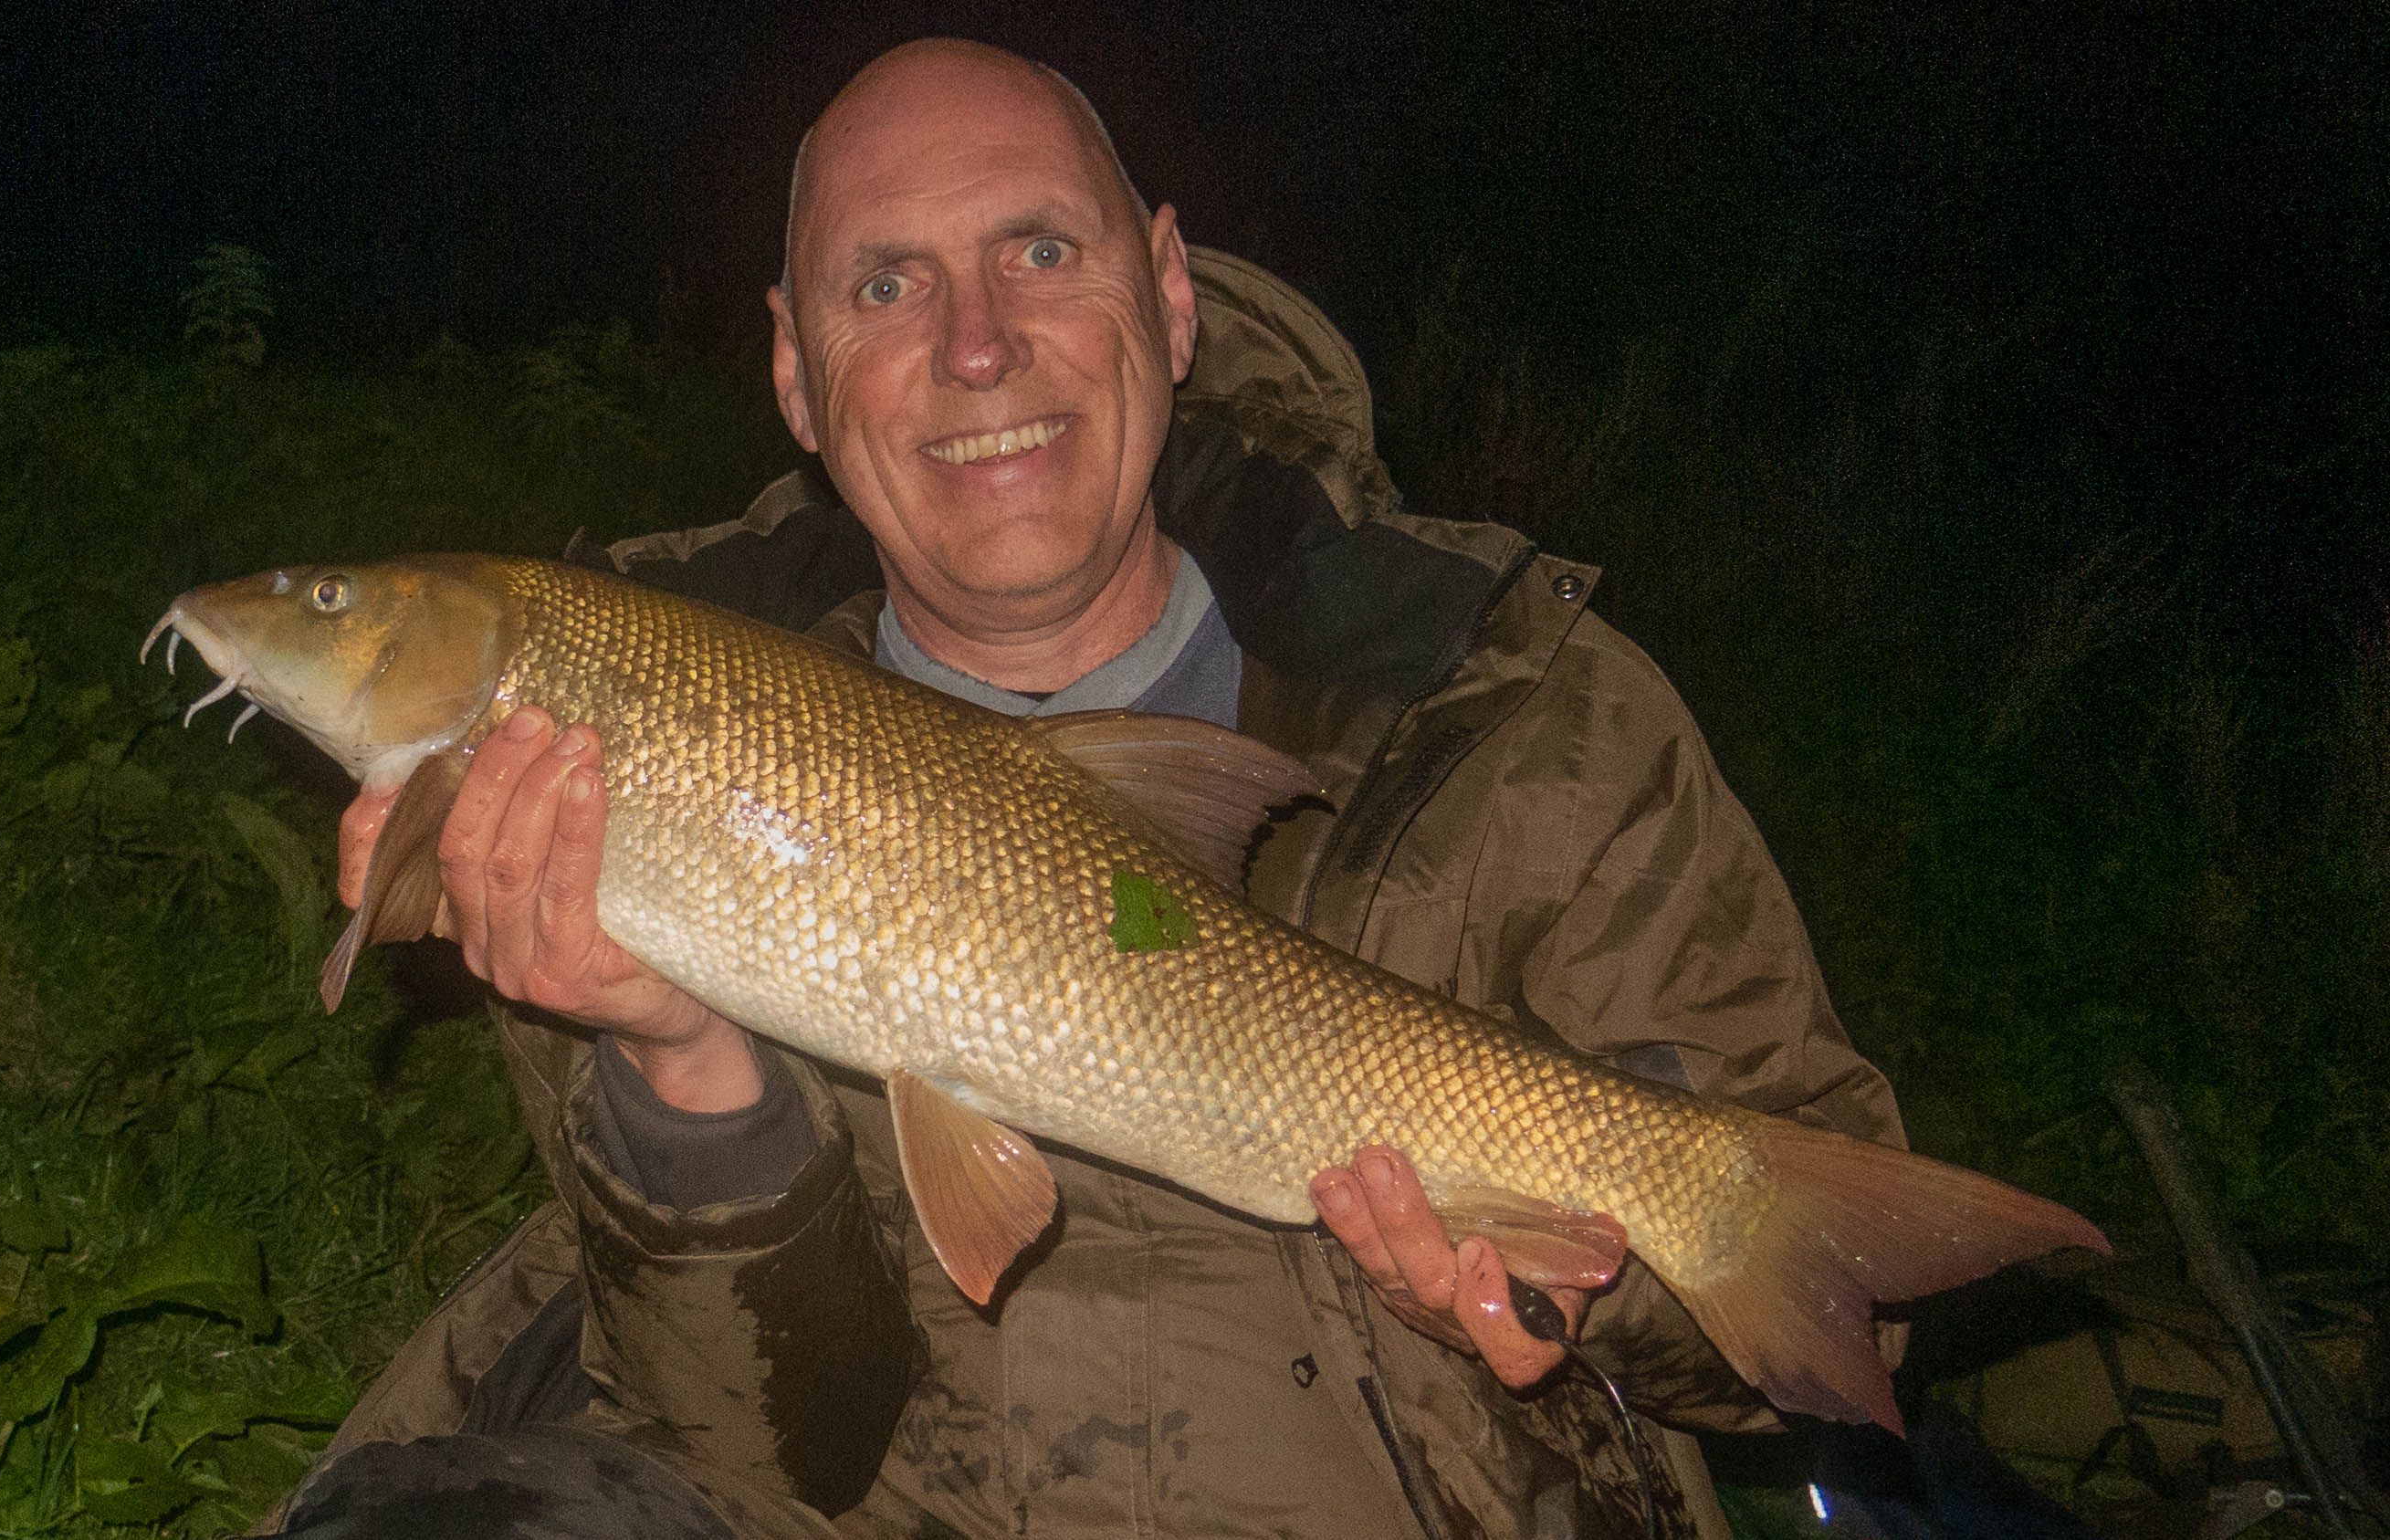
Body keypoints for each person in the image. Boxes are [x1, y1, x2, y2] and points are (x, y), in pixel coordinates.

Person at [267, 38, 1905, 1540]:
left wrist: (1578, 1284)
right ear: (792, 368)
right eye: (886, 283)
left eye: (1039, 254)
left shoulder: (1511, 714)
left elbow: (1823, 1330)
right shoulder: (634, 744)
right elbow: (754, 1447)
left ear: (1173, 296)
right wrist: (683, 1068)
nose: (976, 347)